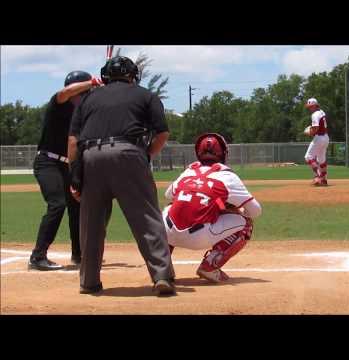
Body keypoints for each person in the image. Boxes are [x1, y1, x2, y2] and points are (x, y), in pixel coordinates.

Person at [68, 56, 175, 295]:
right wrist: (144, 155)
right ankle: (161, 277)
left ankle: (89, 282)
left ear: (105, 75)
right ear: (132, 75)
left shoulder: (88, 99)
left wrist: (75, 176)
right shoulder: (145, 95)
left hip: (91, 157)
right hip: (128, 152)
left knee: (91, 223)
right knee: (147, 218)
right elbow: (162, 133)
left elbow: (73, 141)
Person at [162, 133, 262, 283]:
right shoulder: (227, 176)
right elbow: (255, 211)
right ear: (223, 153)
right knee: (246, 224)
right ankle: (210, 266)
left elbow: (169, 195)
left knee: (170, 208)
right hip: (199, 238)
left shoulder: (188, 171)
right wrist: (229, 209)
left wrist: (218, 204)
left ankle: (162, 267)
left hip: (169, 235)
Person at [28, 71, 103, 271]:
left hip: (67, 165)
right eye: (83, 91)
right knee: (57, 204)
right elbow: (65, 92)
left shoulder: (82, 114)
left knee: (77, 206)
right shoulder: (58, 104)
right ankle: (38, 256)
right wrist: (93, 82)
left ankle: (79, 255)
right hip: (47, 162)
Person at [304, 98, 329, 186]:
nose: (309, 108)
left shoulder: (314, 114)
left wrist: (309, 132)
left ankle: (318, 177)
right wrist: (312, 128)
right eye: (309, 107)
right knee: (321, 160)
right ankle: (324, 180)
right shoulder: (321, 112)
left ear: (315, 105)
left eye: (310, 106)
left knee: (308, 157)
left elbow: (316, 128)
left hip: (319, 138)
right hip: (326, 137)